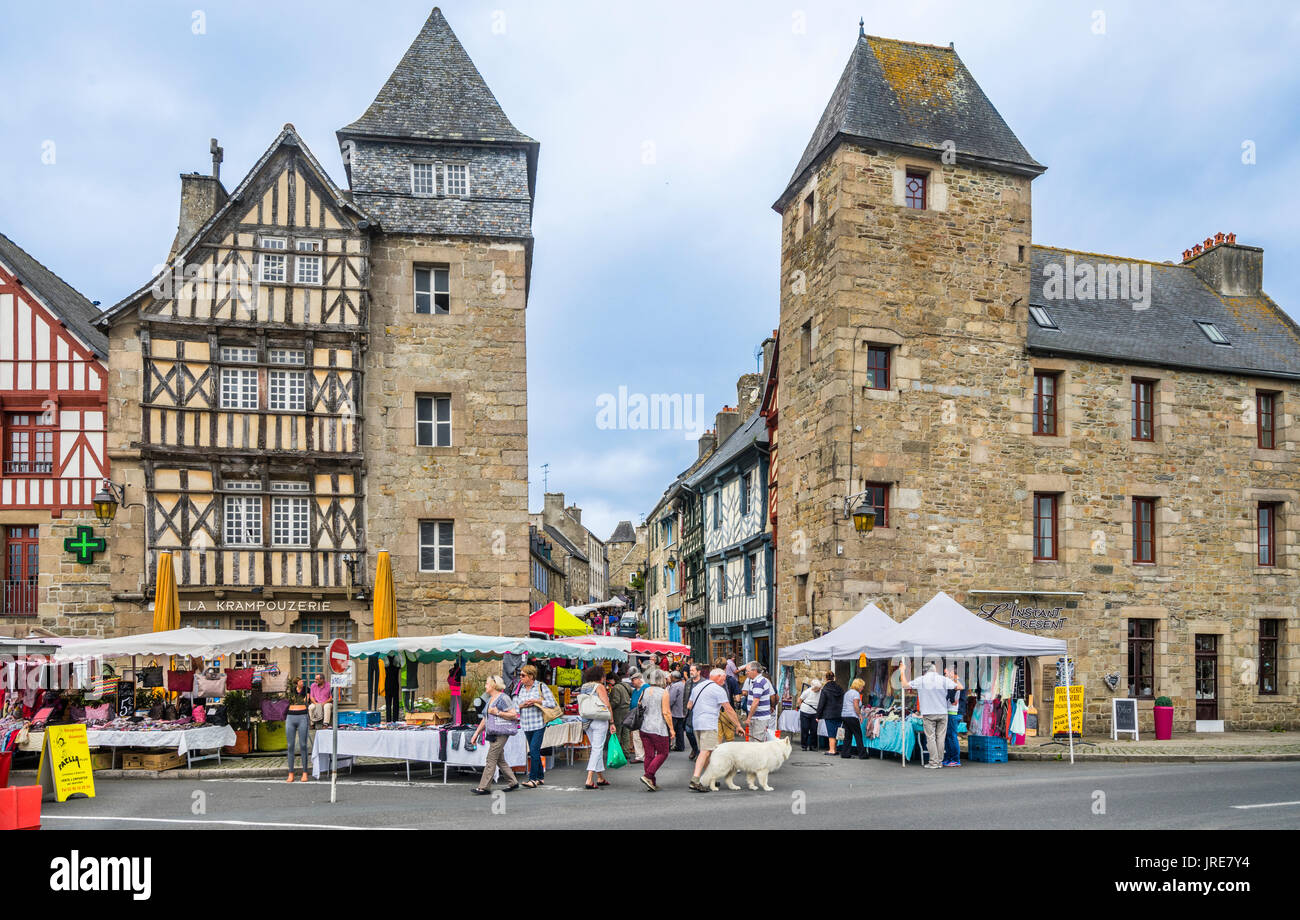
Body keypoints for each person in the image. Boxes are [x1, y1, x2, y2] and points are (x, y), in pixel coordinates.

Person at [899, 659, 962, 769]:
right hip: (942, 713)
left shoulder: (921, 680)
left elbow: (904, 685)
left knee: (931, 738)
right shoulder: (943, 679)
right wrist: (954, 676)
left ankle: (933, 762)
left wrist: (902, 671)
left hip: (929, 713)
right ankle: (939, 761)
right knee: (940, 738)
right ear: (935, 670)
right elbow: (960, 687)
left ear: (924, 671)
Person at [687, 668, 742, 792]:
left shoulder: (697, 687)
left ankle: (709, 778)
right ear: (717, 676)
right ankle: (695, 780)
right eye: (723, 678)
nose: (724, 681)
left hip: (697, 722)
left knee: (707, 752)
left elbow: (689, 705)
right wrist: (738, 725)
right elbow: (728, 709)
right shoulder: (718, 690)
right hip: (709, 723)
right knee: (705, 752)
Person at [470, 676, 521, 794]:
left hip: (502, 732)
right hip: (493, 732)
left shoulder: (503, 698)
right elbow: (485, 719)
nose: (485, 686)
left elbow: (514, 715)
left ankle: (484, 787)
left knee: (491, 758)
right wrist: (476, 734)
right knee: (499, 759)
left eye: (487, 684)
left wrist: (497, 712)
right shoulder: (490, 699)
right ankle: (513, 782)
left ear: (493, 684)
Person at [515, 664, 558, 788]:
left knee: (533, 750)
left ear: (531, 676)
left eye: (523, 675)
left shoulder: (540, 686)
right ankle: (540, 777)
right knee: (535, 751)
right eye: (520, 675)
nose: (520, 677)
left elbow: (552, 703)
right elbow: (516, 705)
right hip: (526, 724)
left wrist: (536, 701)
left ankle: (532, 779)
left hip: (538, 723)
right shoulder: (521, 688)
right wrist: (523, 705)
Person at [637, 669, 675, 790]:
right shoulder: (664, 692)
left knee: (649, 755)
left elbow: (639, 704)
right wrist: (672, 729)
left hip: (644, 726)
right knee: (663, 753)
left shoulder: (645, 690)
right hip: (658, 727)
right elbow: (666, 712)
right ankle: (648, 776)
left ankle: (651, 782)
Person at [579, 664, 614, 789]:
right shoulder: (599, 686)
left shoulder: (584, 686)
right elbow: (607, 704)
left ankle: (600, 777)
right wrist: (612, 722)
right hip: (599, 719)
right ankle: (589, 778)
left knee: (595, 748)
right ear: (600, 676)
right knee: (597, 749)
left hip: (587, 720)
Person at [285, 676, 311, 783]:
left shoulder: (306, 690)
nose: (302, 682)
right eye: (300, 681)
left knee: (303, 745)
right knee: (290, 746)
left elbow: (305, 701)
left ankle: (305, 772)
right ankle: (291, 773)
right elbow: (289, 701)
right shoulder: (291, 691)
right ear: (296, 683)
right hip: (290, 716)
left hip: (302, 716)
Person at [743, 661, 776, 742]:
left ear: (754, 671)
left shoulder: (758, 683)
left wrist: (749, 717)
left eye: (747, 671)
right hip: (758, 717)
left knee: (757, 744)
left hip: (758, 718)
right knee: (754, 742)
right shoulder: (761, 680)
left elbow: (755, 702)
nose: (746, 673)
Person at [815, 672, 844, 756]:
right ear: (834, 677)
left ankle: (832, 750)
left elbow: (821, 703)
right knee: (837, 731)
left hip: (829, 713)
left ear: (826, 678)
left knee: (831, 732)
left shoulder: (825, 689)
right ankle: (835, 749)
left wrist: (818, 715)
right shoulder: (840, 688)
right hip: (839, 713)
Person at [840, 678, 867, 759]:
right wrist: (860, 715)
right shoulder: (856, 693)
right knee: (858, 735)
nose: (863, 688)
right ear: (858, 686)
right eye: (862, 686)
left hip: (845, 715)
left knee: (848, 736)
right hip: (852, 716)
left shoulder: (847, 693)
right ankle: (862, 754)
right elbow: (855, 705)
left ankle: (845, 753)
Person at [684, 664, 706, 759]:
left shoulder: (704, 682)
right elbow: (685, 696)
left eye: (693, 670)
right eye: (690, 670)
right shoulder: (688, 682)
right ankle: (694, 748)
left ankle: (700, 752)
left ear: (699, 672)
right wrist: (684, 709)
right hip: (689, 711)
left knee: (700, 732)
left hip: (700, 711)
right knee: (689, 731)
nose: (691, 672)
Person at [610, 670, 633, 759]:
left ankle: (617, 753)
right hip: (627, 711)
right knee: (626, 733)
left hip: (618, 712)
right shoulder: (626, 685)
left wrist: (608, 706)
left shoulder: (616, 688)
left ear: (612, 679)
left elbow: (616, 701)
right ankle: (626, 752)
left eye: (609, 681)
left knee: (618, 733)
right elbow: (632, 693)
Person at [943, 676, 963, 768]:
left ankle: (955, 759)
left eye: (946, 672)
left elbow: (952, 696)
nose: (945, 674)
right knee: (948, 736)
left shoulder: (956, 682)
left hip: (953, 712)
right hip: (949, 712)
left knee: (951, 736)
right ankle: (949, 758)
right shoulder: (952, 682)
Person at [626, 670, 646, 762]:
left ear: (638, 680)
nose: (632, 683)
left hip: (643, 715)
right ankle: (639, 756)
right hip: (635, 715)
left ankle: (645, 755)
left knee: (643, 736)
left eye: (633, 680)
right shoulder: (635, 690)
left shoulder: (646, 688)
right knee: (636, 736)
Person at [798, 679, 823, 751]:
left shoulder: (821, 692)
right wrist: (801, 707)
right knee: (805, 729)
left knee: (814, 730)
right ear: (813, 687)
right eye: (817, 688)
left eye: (819, 688)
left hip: (815, 713)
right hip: (805, 711)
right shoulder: (807, 692)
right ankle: (804, 745)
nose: (819, 689)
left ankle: (813, 746)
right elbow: (799, 700)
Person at [668, 670, 687, 751]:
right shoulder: (682, 684)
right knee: (680, 730)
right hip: (681, 711)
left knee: (671, 729)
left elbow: (671, 700)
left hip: (675, 711)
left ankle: (667, 747)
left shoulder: (675, 686)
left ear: (673, 677)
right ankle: (680, 746)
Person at [383, 653, 401, 723]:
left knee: (388, 703)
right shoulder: (397, 659)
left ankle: (389, 720)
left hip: (388, 684)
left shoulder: (385, 659)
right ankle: (395, 720)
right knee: (395, 703)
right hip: (395, 684)